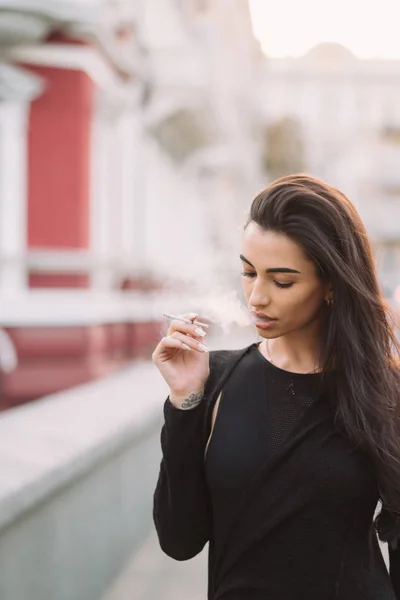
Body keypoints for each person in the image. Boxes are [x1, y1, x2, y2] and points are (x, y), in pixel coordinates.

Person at [152, 174, 400, 599]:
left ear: (331, 285)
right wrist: (184, 401)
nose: (256, 298)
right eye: (248, 273)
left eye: (281, 281)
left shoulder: (382, 389)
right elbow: (179, 541)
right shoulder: (215, 382)